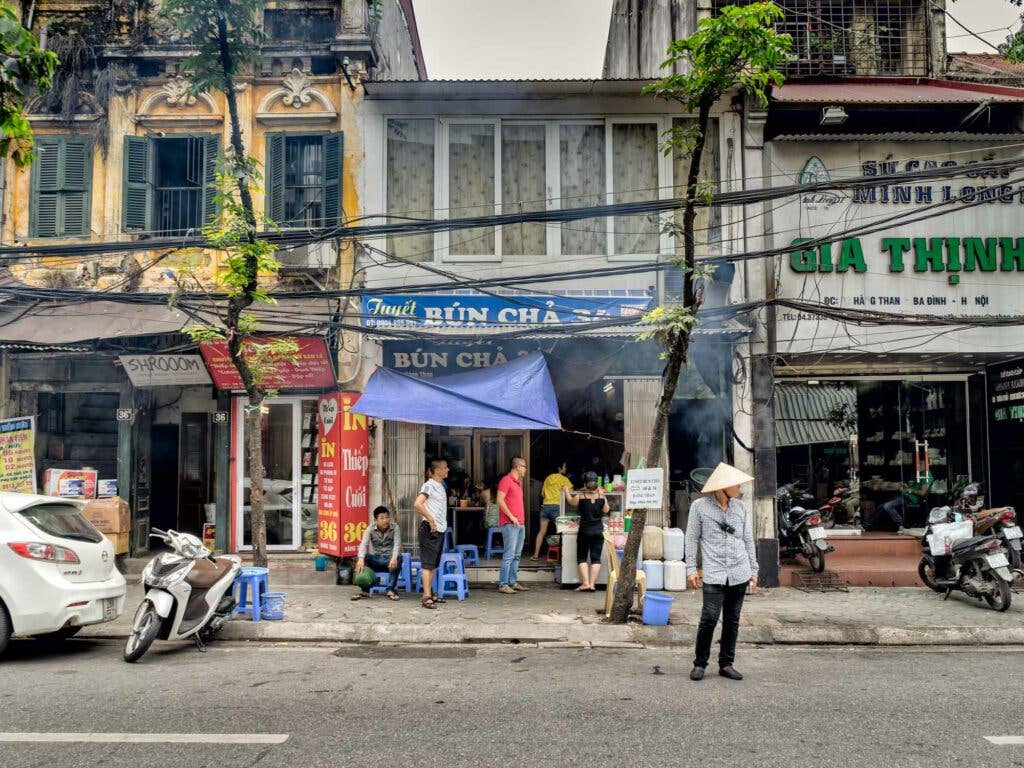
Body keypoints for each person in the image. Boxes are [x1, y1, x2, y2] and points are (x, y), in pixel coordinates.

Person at [685, 462, 758, 682]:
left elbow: (747, 540)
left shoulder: (741, 508)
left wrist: (754, 569)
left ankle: (726, 664)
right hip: (714, 572)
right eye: (735, 484)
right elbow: (691, 538)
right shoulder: (699, 507)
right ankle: (700, 664)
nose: (739, 488)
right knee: (709, 618)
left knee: (732, 620)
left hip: (739, 571)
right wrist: (690, 568)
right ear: (722, 487)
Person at [414, 459, 449, 609]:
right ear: (438, 470)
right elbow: (417, 503)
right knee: (427, 565)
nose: (448, 470)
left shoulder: (440, 486)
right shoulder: (429, 485)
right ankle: (426, 596)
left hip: (439, 529)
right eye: (445, 468)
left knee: (433, 565)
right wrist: (430, 519)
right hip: (429, 529)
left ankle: (430, 593)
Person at [566, 471, 607, 591]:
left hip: (585, 531)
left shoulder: (580, 496)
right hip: (598, 531)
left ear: (585, 484)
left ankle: (585, 583)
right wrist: (602, 495)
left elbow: (570, 502)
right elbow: (606, 509)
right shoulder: (601, 496)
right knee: (596, 558)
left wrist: (567, 492)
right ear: (597, 484)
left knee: (582, 557)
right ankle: (593, 585)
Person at [352, 506, 402, 602]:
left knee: (399, 557)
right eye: (382, 518)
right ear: (376, 520)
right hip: (376, 559)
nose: (385, 520)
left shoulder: (395, 527)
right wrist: (361, 558)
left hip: (390, 560)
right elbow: (363, 544)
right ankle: (365, 590)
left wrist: (394, 557)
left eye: (387, 517)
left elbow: (397, 544)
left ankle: (391, 590)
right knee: (364, 557)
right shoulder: (370, 528)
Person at [496, 456, 529, 594]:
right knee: (509, 555)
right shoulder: (506, 480)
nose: (526, 470)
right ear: (517, 467)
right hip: (510, 523)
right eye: (524, 467)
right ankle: (503, 584)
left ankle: (512, 582)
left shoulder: (518, 483)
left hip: (520, 523)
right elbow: (499, 500)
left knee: (516, 555)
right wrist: (511, 516)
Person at [532, 462, 573, 560]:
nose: (565, 468)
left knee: (541, 532)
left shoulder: (547, 478)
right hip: (556, 507)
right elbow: (571, 493)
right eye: (564, 466)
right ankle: (564, 558)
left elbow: (542, 494)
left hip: (545, 507)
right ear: (560, 468)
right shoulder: (564, 479)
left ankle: (535, 555)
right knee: (562, 532)